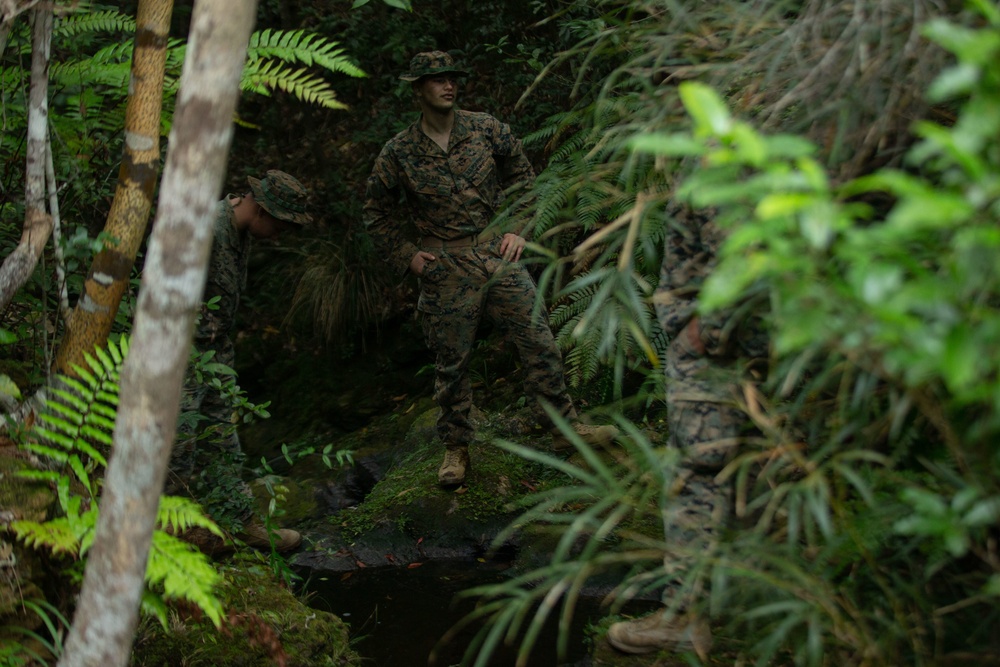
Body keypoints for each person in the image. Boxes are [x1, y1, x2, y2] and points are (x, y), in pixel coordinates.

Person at [362, 51, 618, 487]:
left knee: (538, 338)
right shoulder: (399, 151)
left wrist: (519, 229)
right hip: (444, 266)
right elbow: (375, 212)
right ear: (418, 89)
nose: (448, 85)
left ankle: (561, 428)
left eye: (452, 78)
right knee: (452, 361)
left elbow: (526, 182)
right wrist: (407, 255)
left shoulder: (486, 128)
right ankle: (456, 448)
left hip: (496, 256)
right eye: (437, 80)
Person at [605, 205, 769, 657]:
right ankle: (750, 601)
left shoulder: (726, 143)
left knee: (697, 469)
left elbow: (740, 243)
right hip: (756, 332)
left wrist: (706, 331)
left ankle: (684, 615)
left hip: (719, 342)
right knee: (754, 460)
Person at [169, 169, 312, 552]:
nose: (281, 235)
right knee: (178, 446)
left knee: (222, 442)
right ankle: (172, 533)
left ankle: (237, 520)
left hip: (215, 351)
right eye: (280, 225)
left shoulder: (240, 231)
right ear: (261, 210)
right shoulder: (206, 229)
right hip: (181, 353)